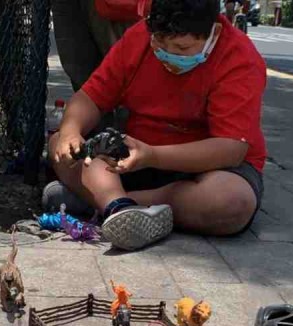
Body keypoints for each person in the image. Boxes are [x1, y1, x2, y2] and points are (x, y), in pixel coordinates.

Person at [46, 0, 267, 251]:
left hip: (209, 168)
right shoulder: (138, 37)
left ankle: (107, 203)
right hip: (134, 158)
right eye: (159, 44)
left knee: (232, 202)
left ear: (213, 33)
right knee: (59, 144)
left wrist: (152, 155)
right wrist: (71, 131)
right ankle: (117, 206)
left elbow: (230, 150)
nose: (168, 56)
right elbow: (90, 97)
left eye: (182, 48)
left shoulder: (239, 57)